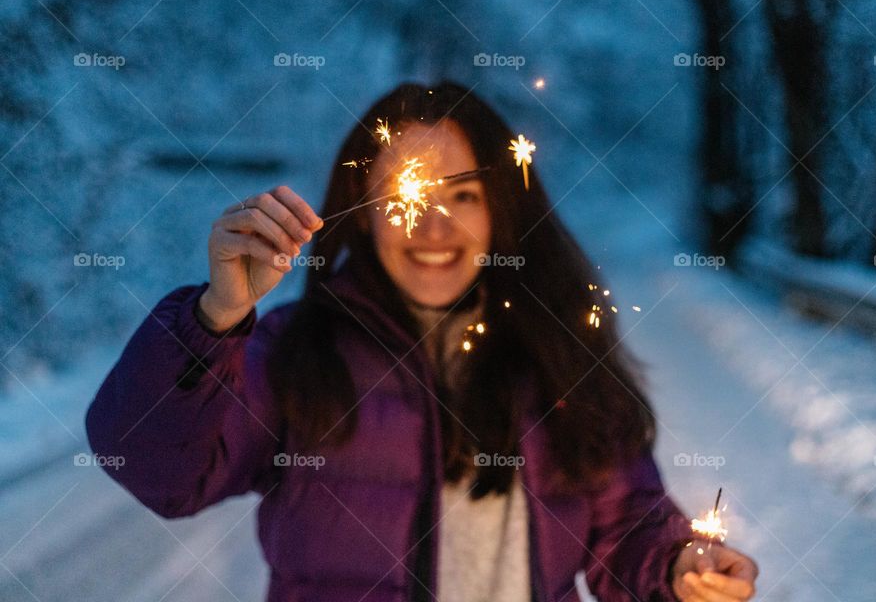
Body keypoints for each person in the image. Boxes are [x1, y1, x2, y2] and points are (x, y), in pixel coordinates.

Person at [86, 82, 758, 601]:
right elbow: (158, 473)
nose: (434, 227)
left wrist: (679, 566)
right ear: (363, 209)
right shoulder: (293, 353)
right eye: (406, 198)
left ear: (503, 209)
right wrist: (214, 318)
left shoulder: (562, 358)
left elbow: (627, 521)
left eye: (463, 197)